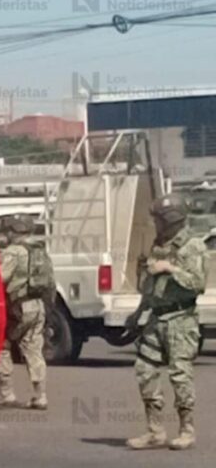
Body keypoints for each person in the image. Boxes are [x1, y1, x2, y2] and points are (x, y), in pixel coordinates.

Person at [125, 193, 206, 451]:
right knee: (144, 369)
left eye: (158, 219)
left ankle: (187, 430)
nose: (155, 224)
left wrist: (170, 269)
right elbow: (152, 287)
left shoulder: (192, 246)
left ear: (170, 220)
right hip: (157, 318)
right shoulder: (159, 245)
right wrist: (138, 313)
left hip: (181, 319)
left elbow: (197, 284)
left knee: (180, 375)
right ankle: (155, 430)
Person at [0, 214, 52, 410]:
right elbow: (50, 283)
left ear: (13, 232)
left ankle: (7, 394)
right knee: (33, 350)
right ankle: (40, 396)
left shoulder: (13, 252)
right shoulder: (40, 251)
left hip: (18, 307)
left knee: (2, 346)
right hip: (38, 306)